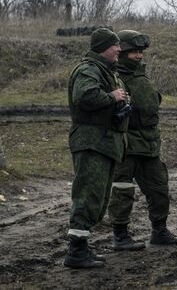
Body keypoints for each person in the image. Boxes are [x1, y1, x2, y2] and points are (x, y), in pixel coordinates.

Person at [107, 30, 177, 251]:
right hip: (127, 144)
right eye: (133, 53)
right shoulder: (114, 78)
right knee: (122, 189)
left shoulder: (140, 75)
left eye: (140, 52)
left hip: (149, 142)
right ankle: (120, 236)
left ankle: (159, 231)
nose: (139, 56)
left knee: (159, 187)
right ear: (122, 53)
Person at [64, 27, 130, 269]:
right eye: (115, 46)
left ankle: (81, 249)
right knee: (87, 195)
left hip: (103, 143)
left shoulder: (104, 71)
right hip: (91, 143)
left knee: (97, 198)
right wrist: (112, 97)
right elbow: (85, 97)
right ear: (103, 47)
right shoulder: (88, 70)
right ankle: (76, 252)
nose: (119, 50)